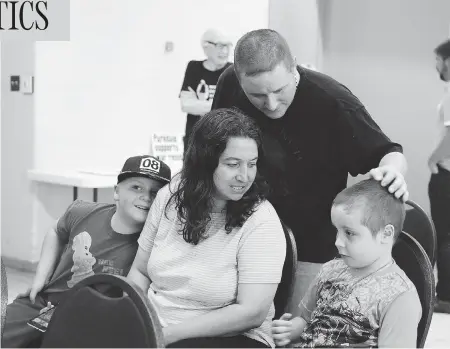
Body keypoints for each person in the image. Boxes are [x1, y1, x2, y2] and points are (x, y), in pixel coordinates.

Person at [212, 29, 409, 314]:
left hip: (311, 245)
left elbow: (387, 152)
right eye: (256, 95)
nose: (270, 104)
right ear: (239, 78)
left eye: (279, 91)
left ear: (293, 66)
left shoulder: (333, 101)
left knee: (296, 330)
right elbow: (210, 147)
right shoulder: (228, 82)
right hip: (242, 234)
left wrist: (393, 172)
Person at [127, 108, 286, 348]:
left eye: (251, 164)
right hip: (158, 328)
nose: (245, 176)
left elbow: (252, 313)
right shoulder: (170, 196)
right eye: (233, 164)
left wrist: (169, 334)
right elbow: (140, 271)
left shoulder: (261, 219)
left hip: (233, 337)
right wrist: (131, 318)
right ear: (204, 162)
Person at [2, 155, 171, 348]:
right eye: (136, 187)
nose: (146, 197)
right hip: (44, 303)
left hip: (91, 320)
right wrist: (41, 277)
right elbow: (56, 230)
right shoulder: (82, 211)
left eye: (155, 192)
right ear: (116, 191)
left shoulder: (153, 244)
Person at [271, 179, 421, 348]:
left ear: (385, 234)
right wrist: (291, 330)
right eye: (337, 230)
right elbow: (308, 320)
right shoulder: (330, 270)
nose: (338, 242)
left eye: (349, 233)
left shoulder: (399, 296)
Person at [179, 28, 232, 156]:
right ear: (206, 47)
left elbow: (233, 109)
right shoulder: (194, 68)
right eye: (220, 46)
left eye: (227, 46)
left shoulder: (232, 71)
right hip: (195, 138)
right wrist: (219, 106)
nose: (224, 51)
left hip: (223, 138)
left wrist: (200, 105)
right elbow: (186, 104)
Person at [429, 38, 450, 314]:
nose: (435, 65)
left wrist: (432, 158)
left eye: (437, 59)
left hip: (447, 176)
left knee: (445, 236)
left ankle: (445, 297)